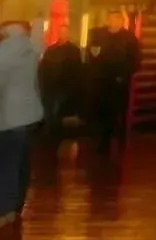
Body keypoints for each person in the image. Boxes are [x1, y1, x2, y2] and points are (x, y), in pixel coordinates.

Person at [0, 20, 44, 226]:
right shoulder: (31, 47)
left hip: (9, 116)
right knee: (22, 162)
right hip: (31, 114)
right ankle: (18, 204)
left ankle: (6, 210)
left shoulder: (4, 51)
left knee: (6, 162)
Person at [87, 10, 140, 153]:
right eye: (110, 19)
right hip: (102, 81)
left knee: (118, 111)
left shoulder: (129, 39)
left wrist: (123, 75)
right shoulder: (100, 36)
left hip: (119, 82)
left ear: (121, 21)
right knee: (103, 111)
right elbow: (92, 54)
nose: (112, 22)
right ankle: (104, 140)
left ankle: (121, 139)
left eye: (115, 20)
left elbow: (135, 60)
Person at [36, 35, 81, 140]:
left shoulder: (73, 50)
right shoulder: (52, 49)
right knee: (51, 110)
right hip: (51, 86)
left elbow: (76, 71)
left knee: (56, 111)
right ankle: (51, 133)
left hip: (62, 87)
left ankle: (54, 134)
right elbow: (43, 67)